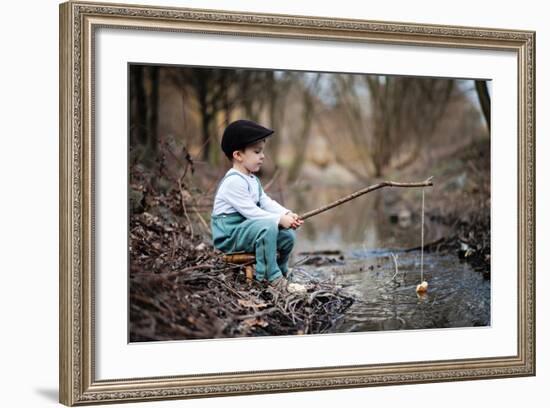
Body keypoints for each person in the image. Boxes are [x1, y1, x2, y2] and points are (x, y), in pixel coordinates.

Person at [211, 119, 303, 290]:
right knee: (267, 227)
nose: (262, 156)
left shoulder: (252, 179)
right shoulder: (233, 182)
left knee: (287, 235)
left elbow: (266, 202)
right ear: (238, 155)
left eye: (262, 151)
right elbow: (252, 212)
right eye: (256, 152)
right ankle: (270, 276)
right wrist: (278, 220)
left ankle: (281, 270)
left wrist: (287, 214)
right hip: (230, 235)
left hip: (246, 230)